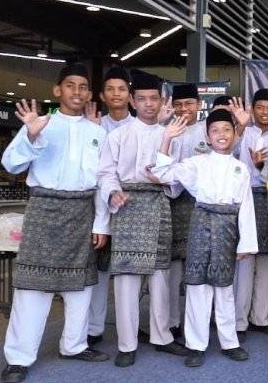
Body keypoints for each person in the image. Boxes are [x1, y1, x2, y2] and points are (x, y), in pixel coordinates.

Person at [0, 63, 110, 383]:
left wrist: (101, 224)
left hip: (83, 210)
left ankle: (74, 345)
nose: (77, 92)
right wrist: (31, 134)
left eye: (83, 87)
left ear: (89, 94)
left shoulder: (97, 133)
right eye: (71, 85)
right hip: (44, 208)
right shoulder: (41, 124)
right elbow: (10, 164)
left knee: (81, 285)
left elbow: (104, 180)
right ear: (57, 90)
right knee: (33, 285)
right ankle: (19, 358)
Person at [150, 109, 257, 366]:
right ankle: (196, 345)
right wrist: (166, 139)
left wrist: (246, 242)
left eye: (227, 129)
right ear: (207, 137)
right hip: (201, 226)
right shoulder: (196, 163)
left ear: (234, 134)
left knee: (224, 287)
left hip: (227, 229)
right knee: (197, 287)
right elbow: (163, 173)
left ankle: (230, 342)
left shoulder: (241, 168)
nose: (221, 135)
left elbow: (246, 206)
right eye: (215, 130)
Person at [98, 72, 187, 367]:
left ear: (161, 101)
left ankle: (162, 337)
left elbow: (178, 177)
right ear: (133, 102)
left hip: (159, 205)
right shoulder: (117, 135)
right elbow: (106, 173)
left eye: (153, 98)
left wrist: (165, 180)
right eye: (142, 99)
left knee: (160, 276)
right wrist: (113, 193)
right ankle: (127, 344)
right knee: (126, 278)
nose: (148, 104)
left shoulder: (171, 135)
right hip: (128, 207)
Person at [87, 66, 134, 347]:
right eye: (110, 89)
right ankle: (94, 328)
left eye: (122, 89)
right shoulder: (94, 126)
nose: (116, 94)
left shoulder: (140, 126)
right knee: (100, 269)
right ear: (102, 95)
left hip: (133, 207)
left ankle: (133, 330)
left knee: (132, 270)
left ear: (130, 95)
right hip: (98, 205)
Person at [236, 88, 268, 334]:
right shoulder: (242, 132)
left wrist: (262, 166)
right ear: (252, 110)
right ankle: (239, 321)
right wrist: (240, 127)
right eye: (260, 107)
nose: (265, 112)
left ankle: (260, 318)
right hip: (245, 199)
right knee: (245, 259)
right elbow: (227, 154)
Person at [166, 83, 208, 340]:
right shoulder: (165, 130)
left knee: (197, 266)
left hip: (200, 206)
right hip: (170, 204)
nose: (184, 109)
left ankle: (198, 323)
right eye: (179, 104)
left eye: (189, 103)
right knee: (172, 269)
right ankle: (172, 321)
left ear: (199, 105)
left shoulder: (208, 130)